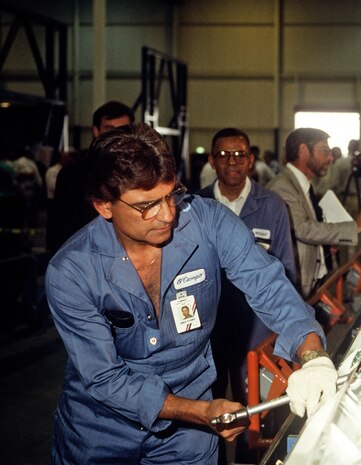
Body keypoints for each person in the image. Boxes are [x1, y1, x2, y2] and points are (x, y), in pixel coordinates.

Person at [46, 123, 337, 464]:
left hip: (185, 440)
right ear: (104, 205)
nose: (167, 214)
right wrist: (199, 412)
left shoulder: (208, 223)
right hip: (101, 431)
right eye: (146, 206)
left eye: (170, 195)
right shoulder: (72, 271)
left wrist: (313, 356)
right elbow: (104, 378)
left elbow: (268, 284)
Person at [198, 127, 296, 464]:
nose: (231, 162)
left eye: (239, 154)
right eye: (223, 155)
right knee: (207, 405)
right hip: (206, 330)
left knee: (252, 406)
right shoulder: (196, 206)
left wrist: (278, 331)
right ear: (212, 161)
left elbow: (286, 269)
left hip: (255, 330)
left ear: (251, 160)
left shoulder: (271, 206)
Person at [268, 128, 361, 297]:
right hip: (296, 286)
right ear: (303, 151)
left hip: (311, 280)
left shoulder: (304, 185)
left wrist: (325, 245)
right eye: (324, 151)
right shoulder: (283, 187)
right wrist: (355, 226)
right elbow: (303, 229)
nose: (330, 157)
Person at [48, 100, 134, 253]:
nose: (116, 135)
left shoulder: (139, 173)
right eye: (109, 129)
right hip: (82, 259)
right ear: (96, 131)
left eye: (122, 130)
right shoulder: (72, 175)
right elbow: (58, 227)